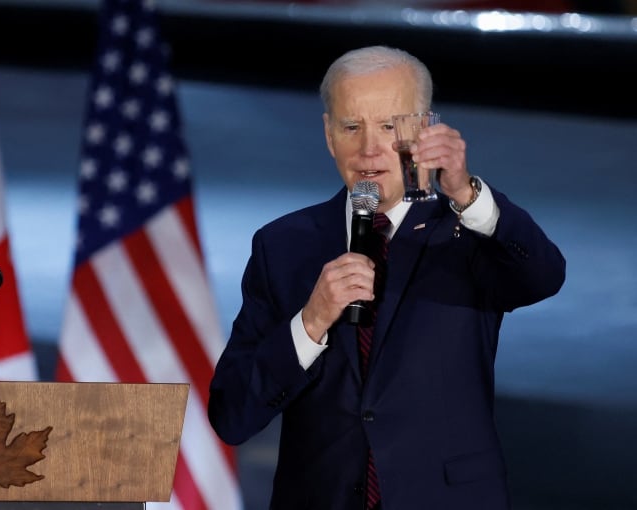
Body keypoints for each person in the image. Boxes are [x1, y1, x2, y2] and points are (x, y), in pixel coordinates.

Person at [207, 45, 566, 510]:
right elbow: (233, 414)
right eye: (351, 127)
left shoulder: (466, 231)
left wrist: (467, 193)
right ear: (328, 134)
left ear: (424, 131)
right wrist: (310, 322)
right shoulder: (282, 246)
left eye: (390, 126)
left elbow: (544, 276)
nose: (369, 148)